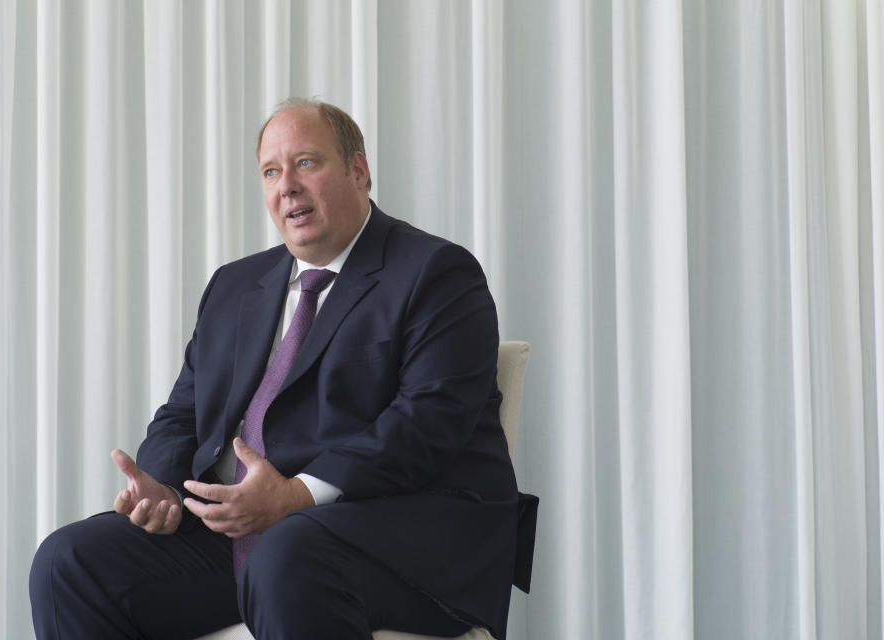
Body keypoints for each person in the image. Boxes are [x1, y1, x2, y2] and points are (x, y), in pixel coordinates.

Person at [29, 97, 536, 640]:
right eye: (271, 171)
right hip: (240, 537)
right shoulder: (234, 287)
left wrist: (295, 497)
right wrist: (165, 490)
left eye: (307, 163)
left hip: (391, 536)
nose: (286, 185)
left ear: (358, 170)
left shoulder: (435, 272)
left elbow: (426, 425)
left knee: (287, 554)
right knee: (68, 562)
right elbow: (184, 412)